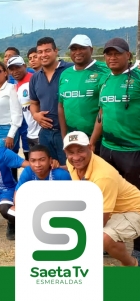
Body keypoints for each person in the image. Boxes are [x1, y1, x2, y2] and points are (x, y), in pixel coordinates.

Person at [92, 38, 140, 258]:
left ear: (128, 56)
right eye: (108, 54)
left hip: (133, 150)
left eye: (117, 54)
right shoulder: (105, 81)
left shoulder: (137, 78)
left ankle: (139, 247)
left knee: (135, 199)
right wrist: (93, 142)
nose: (111, 58)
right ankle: (110, 240)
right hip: (107, 148)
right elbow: (101, 116)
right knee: (108, 196)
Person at [63, 131, 140, 267]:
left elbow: (101, 220)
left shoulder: (103, 176)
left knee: (104, 237)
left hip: (134, 210)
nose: (75, 157)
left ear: (91, 147)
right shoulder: (72, 163)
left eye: (80, 151)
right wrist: (55, 166)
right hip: (112, 209)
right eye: (71, 152)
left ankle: (131, 265)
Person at [58, 35, 109, 155]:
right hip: (73, 139)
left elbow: (106, 108)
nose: (77, 52)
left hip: (100, 141)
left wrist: (92, 142)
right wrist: (64, 137)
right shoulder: (65, 74)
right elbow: (61, 106)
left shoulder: (105, 70)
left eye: (82, 48)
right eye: (74, 49)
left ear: (91, 50)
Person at [29, 37, 74, 166]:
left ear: (56, 51)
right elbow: (34, 103)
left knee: (71, 169)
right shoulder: (35, 77)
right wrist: (36, 115)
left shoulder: (70, 70)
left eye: (47, 51)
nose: (43, 55)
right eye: (40, 52)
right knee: (48, 169)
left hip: (67, 132)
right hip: (45, 134)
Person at [0, 62, 23, 164]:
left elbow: (17, 113)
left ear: (5, 73)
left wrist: (10, 135)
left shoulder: (11, 88)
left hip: (5, 130)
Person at [7, 56, 41, 151]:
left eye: (18, 67)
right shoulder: (16, 86)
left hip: (42, 133)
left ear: (25, 66)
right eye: (12, 69)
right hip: (30, 133)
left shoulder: (35, 79)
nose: (15, 71)